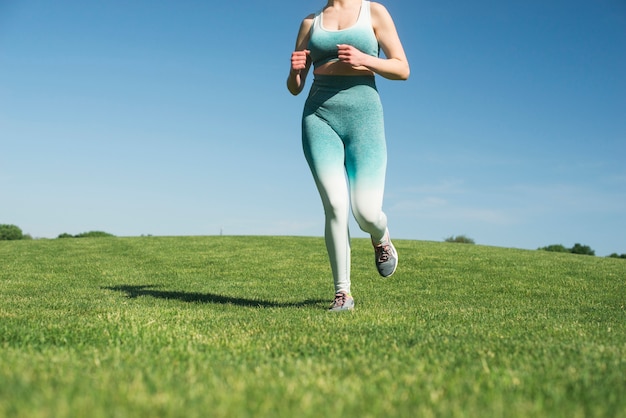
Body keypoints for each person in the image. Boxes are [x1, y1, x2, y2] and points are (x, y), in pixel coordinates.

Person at [287, 0, 409, 311]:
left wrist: (366, 59)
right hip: (319, 117)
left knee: (365, 213)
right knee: (335, 206)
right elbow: (294, 87)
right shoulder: (309, 23)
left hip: (364, 119)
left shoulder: (374, 12)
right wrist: (295, 72)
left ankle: (381, 237)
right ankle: (343, 293)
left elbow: (402, 68)